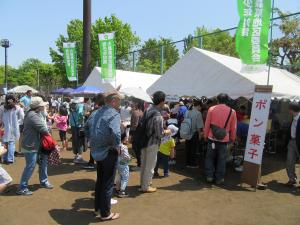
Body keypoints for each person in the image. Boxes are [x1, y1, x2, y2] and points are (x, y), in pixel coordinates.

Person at [88, 92, 121, 221]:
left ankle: (97, 209)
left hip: (97, 151)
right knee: (107, 183)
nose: (120, 104)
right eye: (119, 101)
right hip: (108, 151)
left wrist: (94, 141)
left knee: (100, 181)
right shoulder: (113, 113)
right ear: (113, 101)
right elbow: (116, 133)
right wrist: (117, 145)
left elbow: (86, 128)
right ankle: (105, 214)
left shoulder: (96, 112)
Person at [16, 97, 52, 195]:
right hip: (30, 145)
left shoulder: (35, 113)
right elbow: (43, 129)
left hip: (37, 144)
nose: (44, 106)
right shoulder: (33, 115)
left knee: (43, 162)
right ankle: (22, 187)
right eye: (42, 105)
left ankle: (43, 181)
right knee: (30, 166)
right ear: (38, 107)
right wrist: (49, 132)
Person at [140, 91, 170, 193]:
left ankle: (143, 183)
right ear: (161, 102)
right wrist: (167, 131)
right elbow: (159, 134)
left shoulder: (147, 109)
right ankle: (146, 186)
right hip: (152, 143)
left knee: (144, 164)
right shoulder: (158, 116)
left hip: (143, 140)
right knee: (150, 166)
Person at [204, 93, 237, 185]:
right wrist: (233, 138)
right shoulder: (232, 111)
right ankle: (219, 178)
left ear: (217, 100)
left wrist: (205, 135)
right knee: (222, 160)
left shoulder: (211, 109)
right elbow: (233, 128)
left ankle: (209, 176)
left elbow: (207, 124)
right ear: (227, 101)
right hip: (224, 140)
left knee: (209, 158)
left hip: (212, 138)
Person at [83, 93, 106, 169]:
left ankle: (92, 162)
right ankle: (92, 162)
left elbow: (86, 126)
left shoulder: (95, 112)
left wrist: (89, 136)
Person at [0, 95, 24, 164]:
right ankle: (10, 159)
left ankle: (4, 158)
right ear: (14, 100)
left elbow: (0, 118)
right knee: (11, 143)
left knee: (5, 143)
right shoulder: (17, 107)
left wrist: (2, 123)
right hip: (14, 128)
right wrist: (17, 122)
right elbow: (22, 117)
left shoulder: (2, 107)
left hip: (4, 128)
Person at [184, 99, 204, 168]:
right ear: (198, 106)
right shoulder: (198, 113)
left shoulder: (188, 112)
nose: (201, 108)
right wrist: (200, 134)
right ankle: (192, 164)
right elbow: (199, 126)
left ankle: (187, 163)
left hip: (187, 132)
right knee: (193, 149)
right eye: (201, 107)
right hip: (194, 133)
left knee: (188, 148)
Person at [285, 102, 300, 187]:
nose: (288, 110)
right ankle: (292, 179)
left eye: (289, 109)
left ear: (292, 110)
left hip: (299, 143)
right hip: (292, 142)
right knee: (289, 161)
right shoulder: (293, 117)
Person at [69, 97, 86, 164]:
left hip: (73, 125)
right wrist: (82, 121)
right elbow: (81, 114)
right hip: (79, 126)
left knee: (74, 140)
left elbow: (70, 115)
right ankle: (79, 157)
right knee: (80, 141)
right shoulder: (80, 105)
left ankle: (76, 155)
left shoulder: (71, 105)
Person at [115, 133, 131, 198]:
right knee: (125, 177)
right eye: (126, 138)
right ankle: (122, 191)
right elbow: (127, 157)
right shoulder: (124, 147)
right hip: (123, 163)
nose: (127, 139)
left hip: (118, 162)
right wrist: (130, 158)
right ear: (123, 138)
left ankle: (117, 188)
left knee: (119, 175)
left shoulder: (117, 145)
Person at [130, 101, 144, 169]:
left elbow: (134, 125)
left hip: (136, 133)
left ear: (137, 103)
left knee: (136, 148)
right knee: (140, 149)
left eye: (134, 102)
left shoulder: (135, 112)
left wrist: (131, 134)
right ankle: (140, 163)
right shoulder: (142, 112)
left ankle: (139, 165)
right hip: (141, 133)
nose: (132, 103)